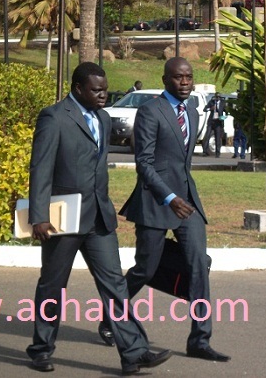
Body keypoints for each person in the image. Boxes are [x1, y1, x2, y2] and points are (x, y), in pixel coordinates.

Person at [26, 62, 172, 375]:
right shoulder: (54, 117)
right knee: (53, 286)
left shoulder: (103, 119)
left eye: (104, 89)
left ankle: (134, 352)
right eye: (96, 90)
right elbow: (41, 168)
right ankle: (40, 349)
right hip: (62, 218)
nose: (103, 95)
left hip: (99, 219)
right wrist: (38, 215)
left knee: (115, 286)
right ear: (78, 88)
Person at [99, 57, 230, 363]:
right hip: (156, 201)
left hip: (188, 203)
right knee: (145, 268)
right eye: (178, 78)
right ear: (166, 79)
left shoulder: (194, 113)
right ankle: (112, 316)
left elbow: (182, 163)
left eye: (189, 77)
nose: (185, 82)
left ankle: (200, 339)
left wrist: (182, 197)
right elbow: (143, 163)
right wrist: (169, 197)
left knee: (199, 264)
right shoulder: (150, 111)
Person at [202, 92, 226, 158]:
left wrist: (224, 116)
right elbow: (204, 109)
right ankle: (205, 151)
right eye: (216, 97)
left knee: (217, 137)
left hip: (218, 122)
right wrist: (210, 109)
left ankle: (217, 153)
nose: (217, 98)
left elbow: (226, 110)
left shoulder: (223, 102)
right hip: (211, 121)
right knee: (207, 136)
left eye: (218, 97)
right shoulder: (212, 102)